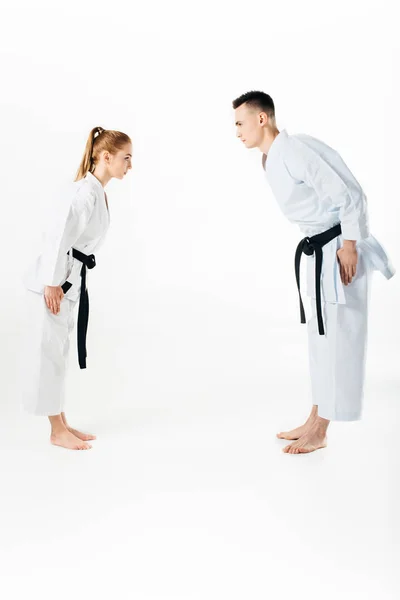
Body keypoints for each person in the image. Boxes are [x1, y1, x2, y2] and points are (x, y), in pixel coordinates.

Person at [233, 91, 395, 454]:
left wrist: (350, 244)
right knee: (321, 338)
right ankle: (315, 416)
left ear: (262, 119)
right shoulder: (273, 157)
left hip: (338, 250)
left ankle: (322, 429)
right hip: (318, 250)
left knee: (340, 336)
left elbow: (349, 195)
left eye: (241, 123)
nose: (237, 132)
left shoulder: (294, 151)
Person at [22, 127, 132, 450]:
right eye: (126, 159)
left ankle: (63, 423)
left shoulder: (96, 190)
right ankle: (57, 431)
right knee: (50, 354)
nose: (129, 166)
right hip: (54, 284)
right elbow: (59, 235)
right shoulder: (85, 192)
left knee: (58, 353)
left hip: (67, 280)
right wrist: (53, 282)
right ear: (106, 157)